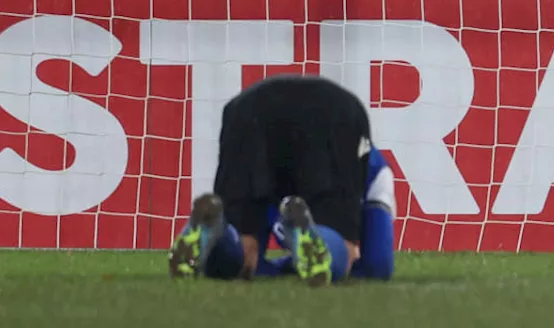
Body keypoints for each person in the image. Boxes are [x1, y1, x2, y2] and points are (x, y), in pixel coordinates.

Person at [167, 74, 396, 285]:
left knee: (243, 257)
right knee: (347, 257)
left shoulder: (371, 167)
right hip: (333, 114)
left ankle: (214, 228)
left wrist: (278, 267)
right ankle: (306, 237)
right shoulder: (376, 171)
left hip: (247, 111)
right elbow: (376, 264)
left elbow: (253, 261)